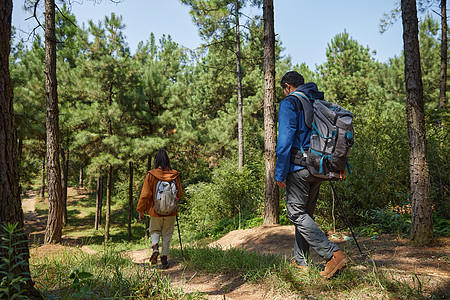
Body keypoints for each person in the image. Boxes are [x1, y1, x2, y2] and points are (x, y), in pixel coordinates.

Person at [275, 71, 346, 279]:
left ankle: (333, 254)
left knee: (296, 213)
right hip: (320, 166)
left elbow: (285, 142)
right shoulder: (315, 101)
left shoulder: (290, 103)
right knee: (305, 214)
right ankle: (301, 262)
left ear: (288, 86)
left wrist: (280, 173)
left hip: (299, 168)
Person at [136, 149, 183, 269]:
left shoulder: (151, 175)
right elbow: (180, 194)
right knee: (167, 234)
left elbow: (145, 195)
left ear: (156, 161)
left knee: (154, 231)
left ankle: (155, 246)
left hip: (155, 211)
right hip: (171, 212)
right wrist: (172, 203)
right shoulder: (174, 175)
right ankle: (164, 259)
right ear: (167, 160)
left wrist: (141, 210)